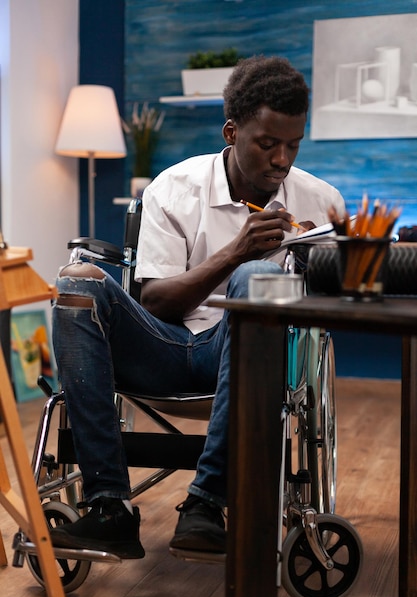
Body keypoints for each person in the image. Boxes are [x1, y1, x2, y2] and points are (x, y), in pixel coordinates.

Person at [49, 55, 345, 558]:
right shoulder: (174, 188)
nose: (282, 160)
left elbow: (334, 303)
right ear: (231, 131)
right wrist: (236, 252)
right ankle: (108, 508)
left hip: (255, 358)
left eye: (293, 145)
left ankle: (207, 502)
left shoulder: (320, 202)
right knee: (77, 283)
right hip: (168, 346)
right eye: (267, 144)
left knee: (259, 280)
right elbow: (156, 303)